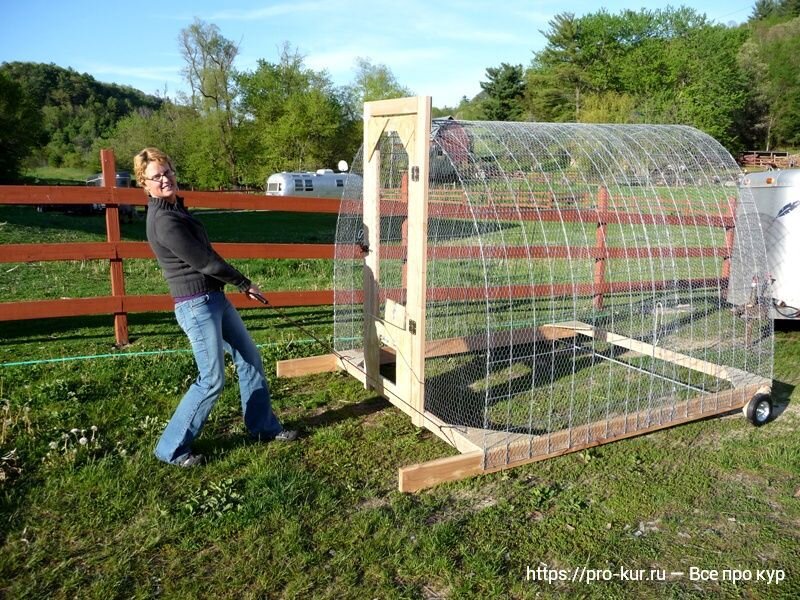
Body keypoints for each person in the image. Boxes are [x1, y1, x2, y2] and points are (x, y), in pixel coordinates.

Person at [133, 147, 297, 467]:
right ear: (144, 183)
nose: (165, 179)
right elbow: (204, 261)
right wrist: (243, 283)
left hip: (214, 299)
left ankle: (262, 427)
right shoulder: (164, 220)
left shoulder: (174, 209)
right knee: (211, 379)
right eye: (156, 176)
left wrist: (232, 286)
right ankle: (171, 448)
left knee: (249, 358)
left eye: (167, 172)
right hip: (196, 306)